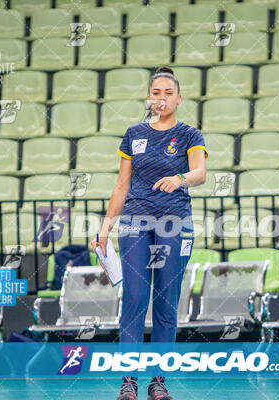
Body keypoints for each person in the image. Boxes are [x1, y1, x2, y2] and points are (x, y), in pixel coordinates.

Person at [91, 66, 208, 400]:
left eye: (168, 93)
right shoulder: (133, 134)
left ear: (179, 98)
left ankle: (159, 381)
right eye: (156, 92)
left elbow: (200, 172)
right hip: (136, 222)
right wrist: (105, 225)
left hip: (176, 223)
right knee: (136, 298)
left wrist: (181, 178)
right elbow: (122, 184)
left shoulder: (189, 134)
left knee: (165, 302)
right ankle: (129, 381)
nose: (162, 98)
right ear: (149, 97)